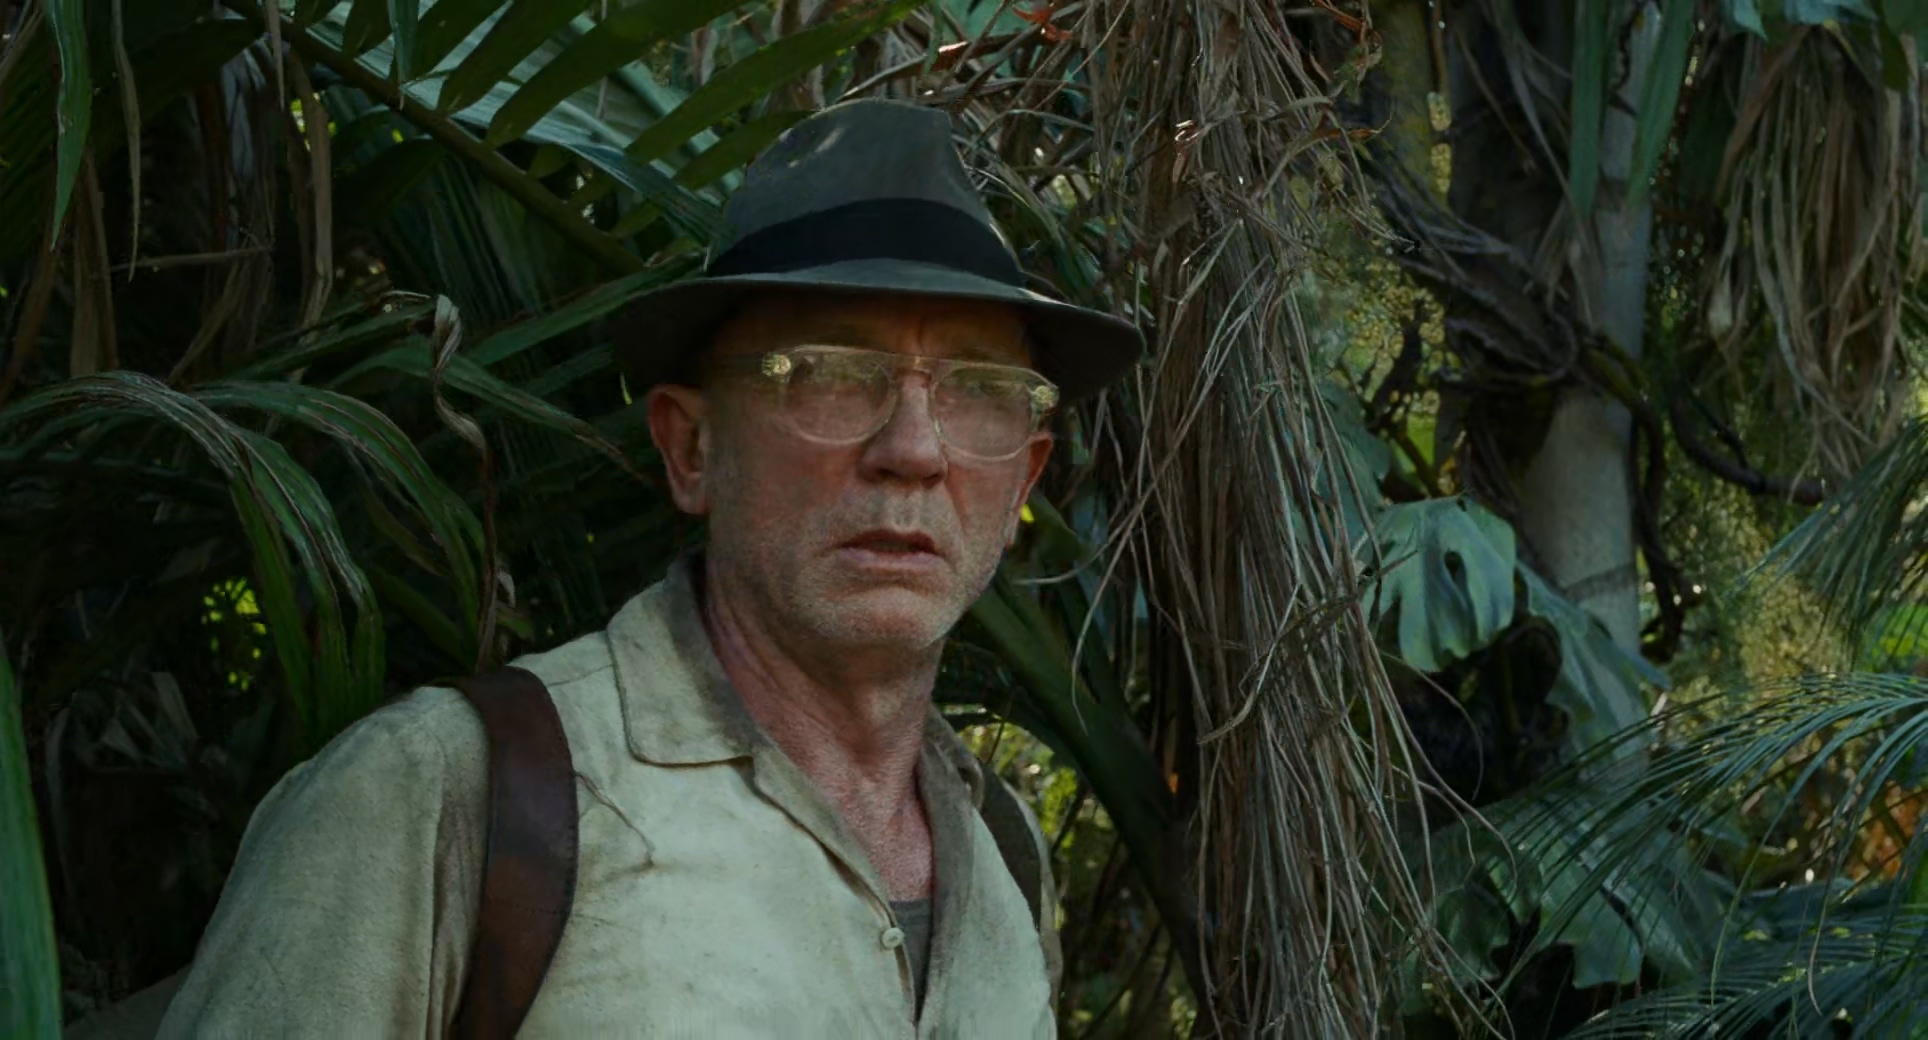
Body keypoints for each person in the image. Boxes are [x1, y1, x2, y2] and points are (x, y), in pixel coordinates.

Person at [155, 98, 1143, 1037]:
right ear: (691, 449)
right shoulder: (446, 792)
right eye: (831, 374)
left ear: (1024, 476)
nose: (914, 450)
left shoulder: (1003, 852)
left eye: (978, 390)